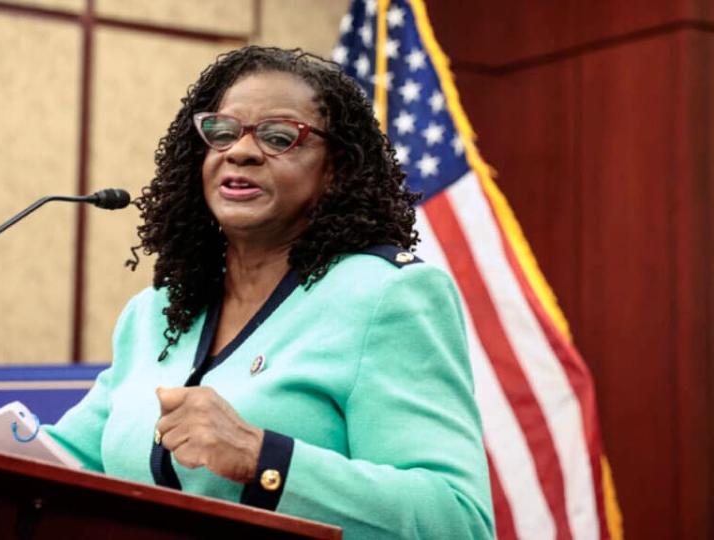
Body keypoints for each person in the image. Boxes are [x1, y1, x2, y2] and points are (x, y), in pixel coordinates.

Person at [46, 46, 495, 539]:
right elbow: (63, 463)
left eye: (279, 137)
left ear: (335, 171)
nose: (239, 151)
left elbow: (457, 520)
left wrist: (263, 459)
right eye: (222, 132)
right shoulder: (154, 313)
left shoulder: (388, 296)